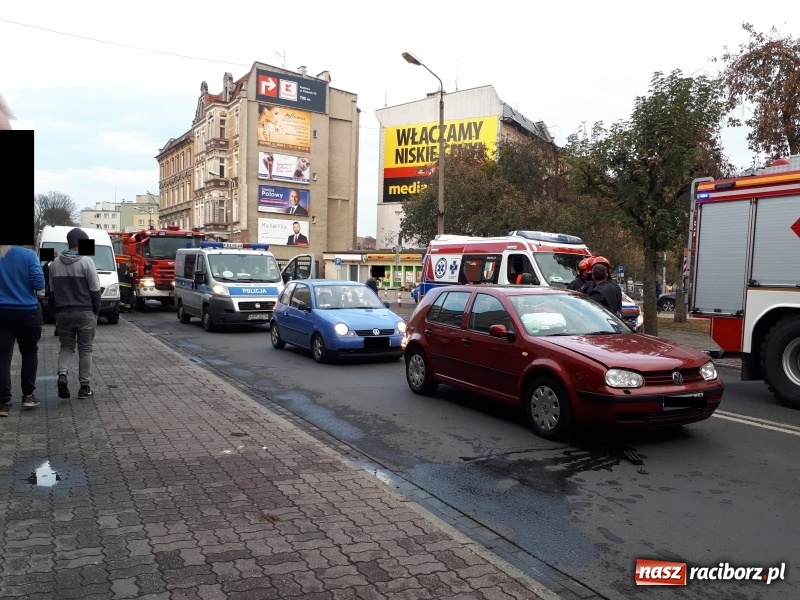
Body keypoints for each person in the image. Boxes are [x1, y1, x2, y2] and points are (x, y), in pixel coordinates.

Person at [49, 228, 101, 400]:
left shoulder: (54, 264)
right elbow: (95, 290)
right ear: (81, 243)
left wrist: (55, 313)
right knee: (85, 349)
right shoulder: (87, 262)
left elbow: (52, 292)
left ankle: (62, 375)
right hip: (84, 312)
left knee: (66, 346)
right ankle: (84, 387)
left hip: (63, 313)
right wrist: (96, 312)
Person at [0, 245, 45, 416]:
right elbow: (39, 284)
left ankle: (4, 402)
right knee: (29, 352)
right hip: (26, 311)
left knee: (3, 357)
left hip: (1, 312)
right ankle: (28, 396)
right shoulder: (28, 255)